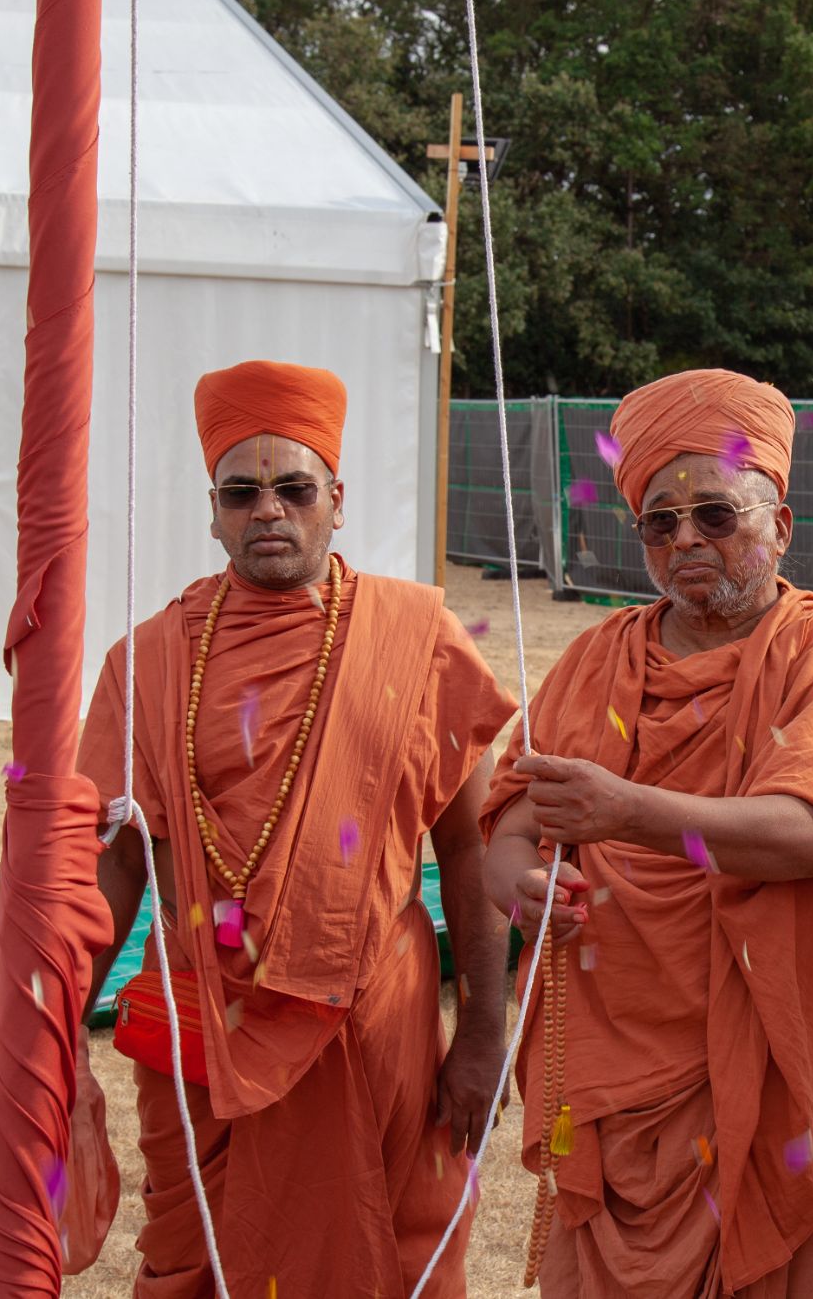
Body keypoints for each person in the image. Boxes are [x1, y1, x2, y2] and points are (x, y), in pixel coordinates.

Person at [479, 369, 813, 1298]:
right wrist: (522, 885)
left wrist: (626, 812)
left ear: (781, 525)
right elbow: (510, 829)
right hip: (613, 1049)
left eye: (716, 516)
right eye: (660, 522)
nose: (686, 539)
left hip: (767, 1038)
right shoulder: (599, 657)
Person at [76, 361, 518, 1295]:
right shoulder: (146, 661)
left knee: (396, 1257)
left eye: (293, 487)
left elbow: (472, 845)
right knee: (197, 1259)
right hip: (201, 1027)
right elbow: (112, 863)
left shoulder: (417, 637)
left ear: (337, 501)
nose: (267, 510)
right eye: (242, 492)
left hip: (378, 1028)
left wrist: (483, 1028)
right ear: (212, 512)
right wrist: (54, 1024)